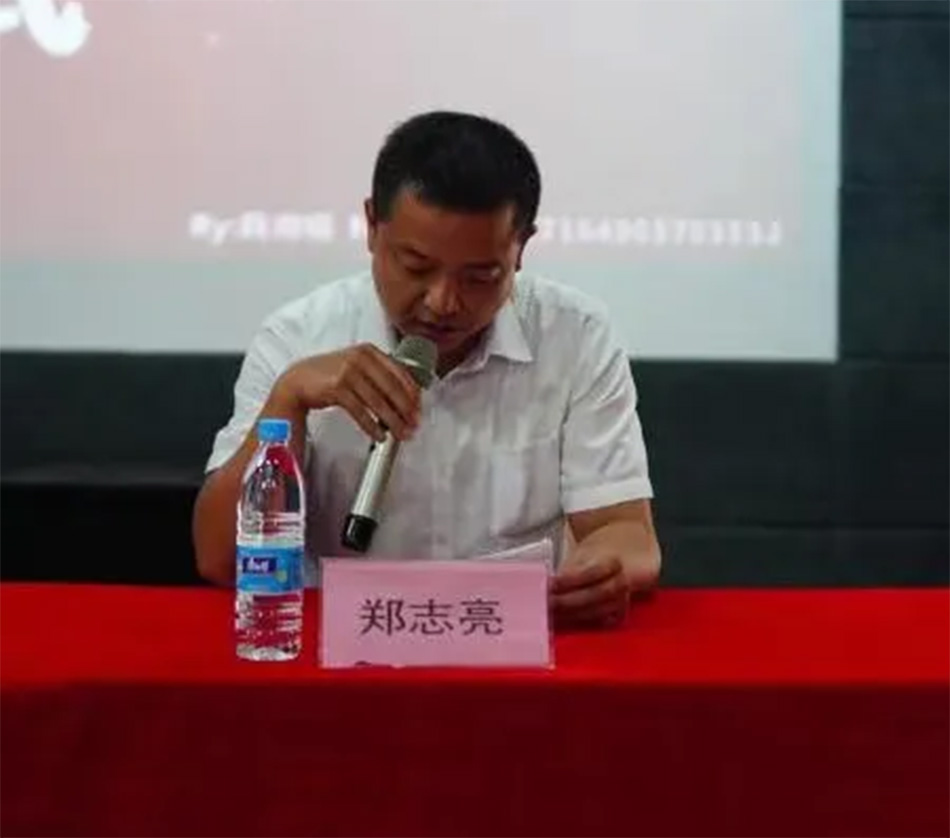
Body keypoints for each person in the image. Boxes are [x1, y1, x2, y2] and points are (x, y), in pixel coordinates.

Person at [193, 110, 661, 628]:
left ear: (521, 248)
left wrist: (602, 569)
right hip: (351, 645)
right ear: (372, 226)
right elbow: (218, 558)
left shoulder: (576, 335)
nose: (443, 303)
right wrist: (289, 401)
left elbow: (625, 531)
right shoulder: (297, 336)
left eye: (479, 277)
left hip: (507, 641)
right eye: (416, 267)